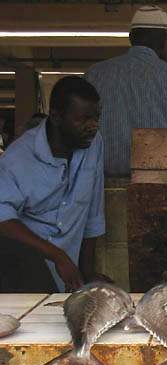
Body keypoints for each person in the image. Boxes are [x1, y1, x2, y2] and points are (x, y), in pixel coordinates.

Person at [0, 76, 110, 293]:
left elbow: (92, 214)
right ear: (57, 116)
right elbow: (2, 219)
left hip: (68, 278)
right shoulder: (18, 158)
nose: (93, 126)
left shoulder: (94, 145)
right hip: (24, 273)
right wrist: (58, 256)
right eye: (84, 119)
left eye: (96, 118)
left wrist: (87, 273)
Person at [85, 5, 167, 176]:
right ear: (165, 40)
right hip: (158, 187)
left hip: (100, 185)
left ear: (131, 38)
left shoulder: (94, 75)